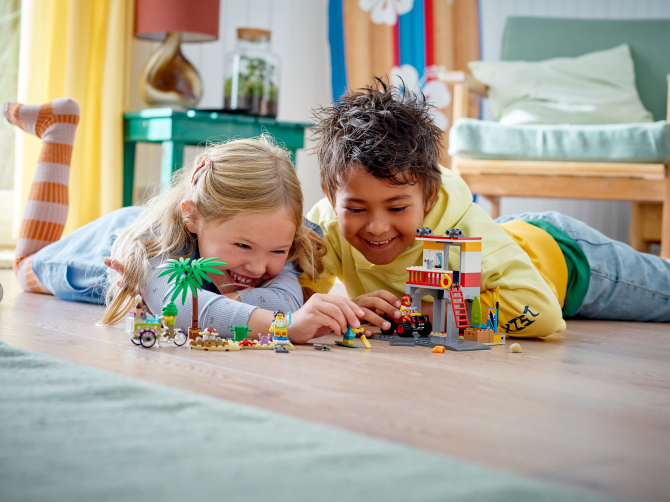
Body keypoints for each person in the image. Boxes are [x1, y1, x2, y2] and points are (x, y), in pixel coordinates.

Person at [304, 78, 670, 337]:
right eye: (356, 209)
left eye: (397, 208)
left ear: (429, 198)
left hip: (571, 260)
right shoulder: (327, 222)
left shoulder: (466, 233)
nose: (377, 227)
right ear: (331, 195)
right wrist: (338, 309)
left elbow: (543, 316)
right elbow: (296, 292)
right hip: (509, 249)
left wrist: (425, 311)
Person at [4, 98, 364, 344]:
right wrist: (280, 327)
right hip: (97, 248)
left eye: (277, 250)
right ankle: (56, 131)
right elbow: (180, 310)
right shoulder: (157, 246)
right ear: (193, 217)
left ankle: (54, 126)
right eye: (242, 246)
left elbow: (286, 301)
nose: (258, 266)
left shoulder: (271, 241)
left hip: (150, 226)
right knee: (24, 266)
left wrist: (239, 306)